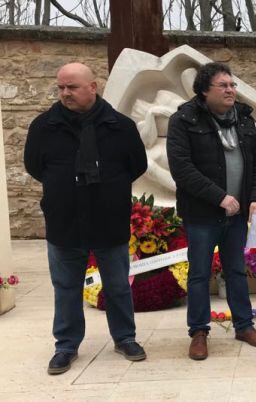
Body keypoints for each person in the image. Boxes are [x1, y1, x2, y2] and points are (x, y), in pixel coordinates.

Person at [24, 63, 148, 374]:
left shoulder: (120, 126)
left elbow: (137, 165)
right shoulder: (44, 126)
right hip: (65, 220)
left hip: (109, 219)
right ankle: (66, 345)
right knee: (66, 287)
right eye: (61, 87)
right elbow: (35, 167)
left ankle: (125, 337)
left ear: (93, 87)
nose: (65, 93)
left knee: (118, 285)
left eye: (72, 87)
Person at [167, 62, 256, 361]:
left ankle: (243, 325)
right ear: (203, 90)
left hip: (237, 216)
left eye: (233, 85)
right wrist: (220, 197)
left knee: (236, 270)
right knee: (199, 274)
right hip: (201, 215)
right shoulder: (184, 120)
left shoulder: (244, 119)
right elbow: (182, 169)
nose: (231, 90)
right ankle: (199, 332)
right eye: (223, 86)